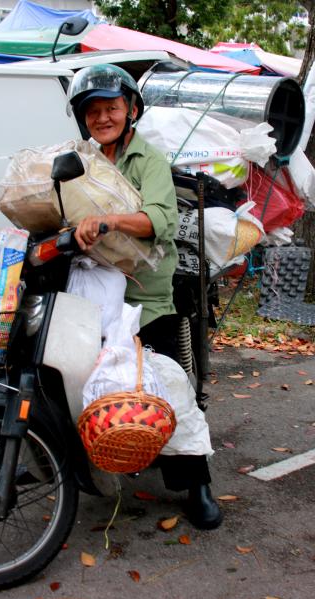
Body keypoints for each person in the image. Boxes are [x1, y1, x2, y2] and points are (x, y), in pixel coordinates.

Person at [68, 64, 222, 530]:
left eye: (111, 108)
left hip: (144, 295)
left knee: (164, 386)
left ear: (131, 110)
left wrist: (109, 220)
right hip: (93, 287)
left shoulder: (148, 160)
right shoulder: (85, 161)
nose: (102, 118)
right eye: (92, 112)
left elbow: (161, 219)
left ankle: (196, 482)